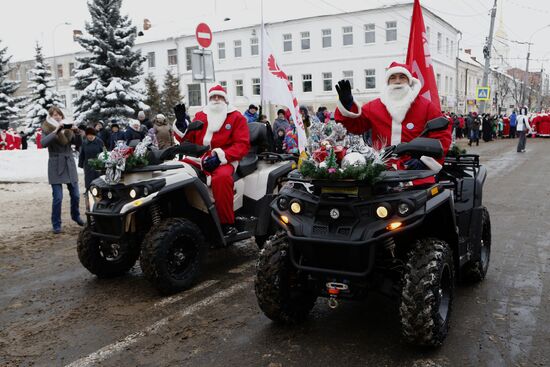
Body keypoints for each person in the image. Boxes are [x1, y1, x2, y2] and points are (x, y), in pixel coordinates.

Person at [335, 62, 451, 169]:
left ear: (409, 81)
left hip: (415, 170)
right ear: (388, 82)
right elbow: (356, 126)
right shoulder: (374, 106)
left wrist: (425, 162)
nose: (397, 81)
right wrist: (348, 105)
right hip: (381, 169)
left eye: (402, 77)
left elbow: (442, 136)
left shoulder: (426, 106)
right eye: (393, 77)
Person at [173, 85, 250, 237]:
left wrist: (220, 157)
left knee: (221, 179)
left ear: (225, 99)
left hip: (225, 159)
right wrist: (182, 123)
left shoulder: (236, 117)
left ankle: (226, 223)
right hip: (199, 158)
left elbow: (242, 145)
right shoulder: (201, 116)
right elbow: (187, 140)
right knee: (178, 171)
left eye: (219, 96)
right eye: (213, 97)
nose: (216, 99)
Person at [41, 107, 84, 233]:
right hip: (55, 163)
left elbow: (79, 143)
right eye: (54, 115)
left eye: (59, 114)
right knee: (58, 197)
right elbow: (43, 143)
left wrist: (76, 132)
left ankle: (76, 216)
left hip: (69, 162)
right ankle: (56, 224)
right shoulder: (47, 127)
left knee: (76, 195)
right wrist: (55, 131)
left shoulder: (68, 127)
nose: (57, 116)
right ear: (50, 116)